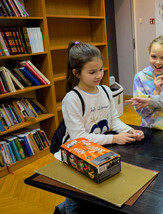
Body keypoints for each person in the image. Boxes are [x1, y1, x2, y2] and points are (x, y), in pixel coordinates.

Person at [55, 41, 144, 214]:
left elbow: (113, 120)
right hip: (75, 153)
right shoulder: (72, 99)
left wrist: (128, 130)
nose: (98, 75)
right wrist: (114, 138)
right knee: (76, 194)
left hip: (98, 150)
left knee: (95, 190)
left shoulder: (104, 90)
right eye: (92, 72)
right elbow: (78, 138)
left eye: (101, 70)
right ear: (76, 73)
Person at [133, 35, 163, 132]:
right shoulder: (140, 78)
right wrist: (156, 92)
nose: (158, 62)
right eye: (153, 57)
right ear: (149, 54)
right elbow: (141, 111)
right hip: (150, 131)